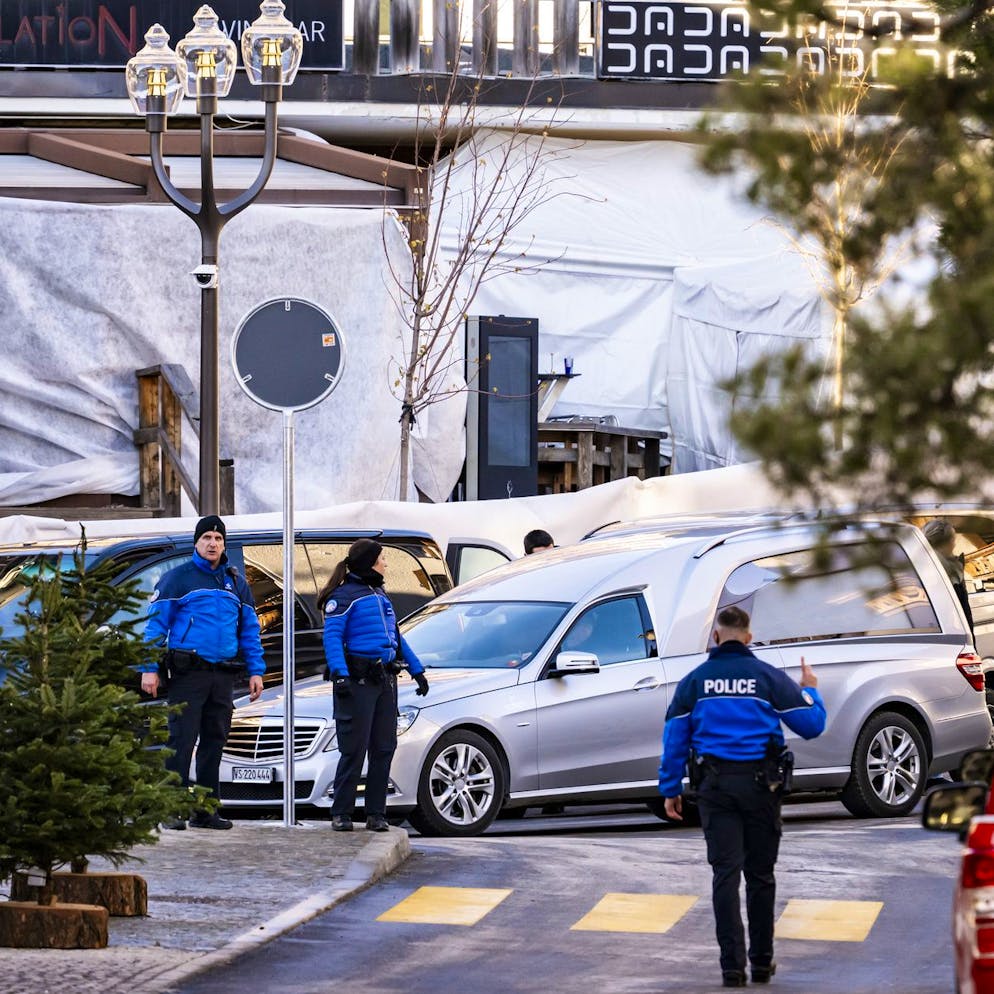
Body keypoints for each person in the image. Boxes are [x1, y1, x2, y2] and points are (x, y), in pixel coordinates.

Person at [658, 605, 826, 988]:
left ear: (715, 637)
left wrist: (670, 789)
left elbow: (673, 740)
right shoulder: (768, 678)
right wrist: (811, 688)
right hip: (761, 789)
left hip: (715, 790)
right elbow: (812, 725)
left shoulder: (694, 682)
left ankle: (731, 968)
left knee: (725, 876)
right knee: (761, 876)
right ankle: (763, 964)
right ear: (749, 638)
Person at [140, 515, 265, 831]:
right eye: (207, 537)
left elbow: (250, 630)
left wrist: (256, 671)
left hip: (223, 676)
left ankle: (205, 811)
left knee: (214, 741)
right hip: (189, 674)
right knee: (181, 740)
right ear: (196, 542)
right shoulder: (178, 578)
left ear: (224, 544)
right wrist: (149, 669)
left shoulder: (236, 582)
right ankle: (172, 808)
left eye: (218, 538)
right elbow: (156, 627)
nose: (213, 543)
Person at [320, 538, 429, 833]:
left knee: (383, 747)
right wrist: (340, 674)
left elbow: (396, 636)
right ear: (370, 562)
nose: (385, 563)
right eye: (382, 558)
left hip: (385, 681)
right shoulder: (344, 597)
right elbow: (331, 637)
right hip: (357, 681)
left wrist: (417, 670)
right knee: (353, 749)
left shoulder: (379, 593)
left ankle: (376, 814)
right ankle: (341, 812)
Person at [924, 518, 975, 636]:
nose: (955, 544)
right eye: (953, 540)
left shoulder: (920, 565)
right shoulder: (950, 569)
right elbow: (962, 610)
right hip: (946, 634)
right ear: (945, 543)